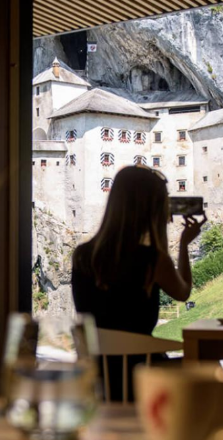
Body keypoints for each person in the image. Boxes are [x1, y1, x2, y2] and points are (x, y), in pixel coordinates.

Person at [71, 165, 206, 401]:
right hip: (143, 375)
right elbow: (183, 292)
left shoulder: (82, 255)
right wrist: (184, 244)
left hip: (96, 376)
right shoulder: (153, 259)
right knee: (211, 370)